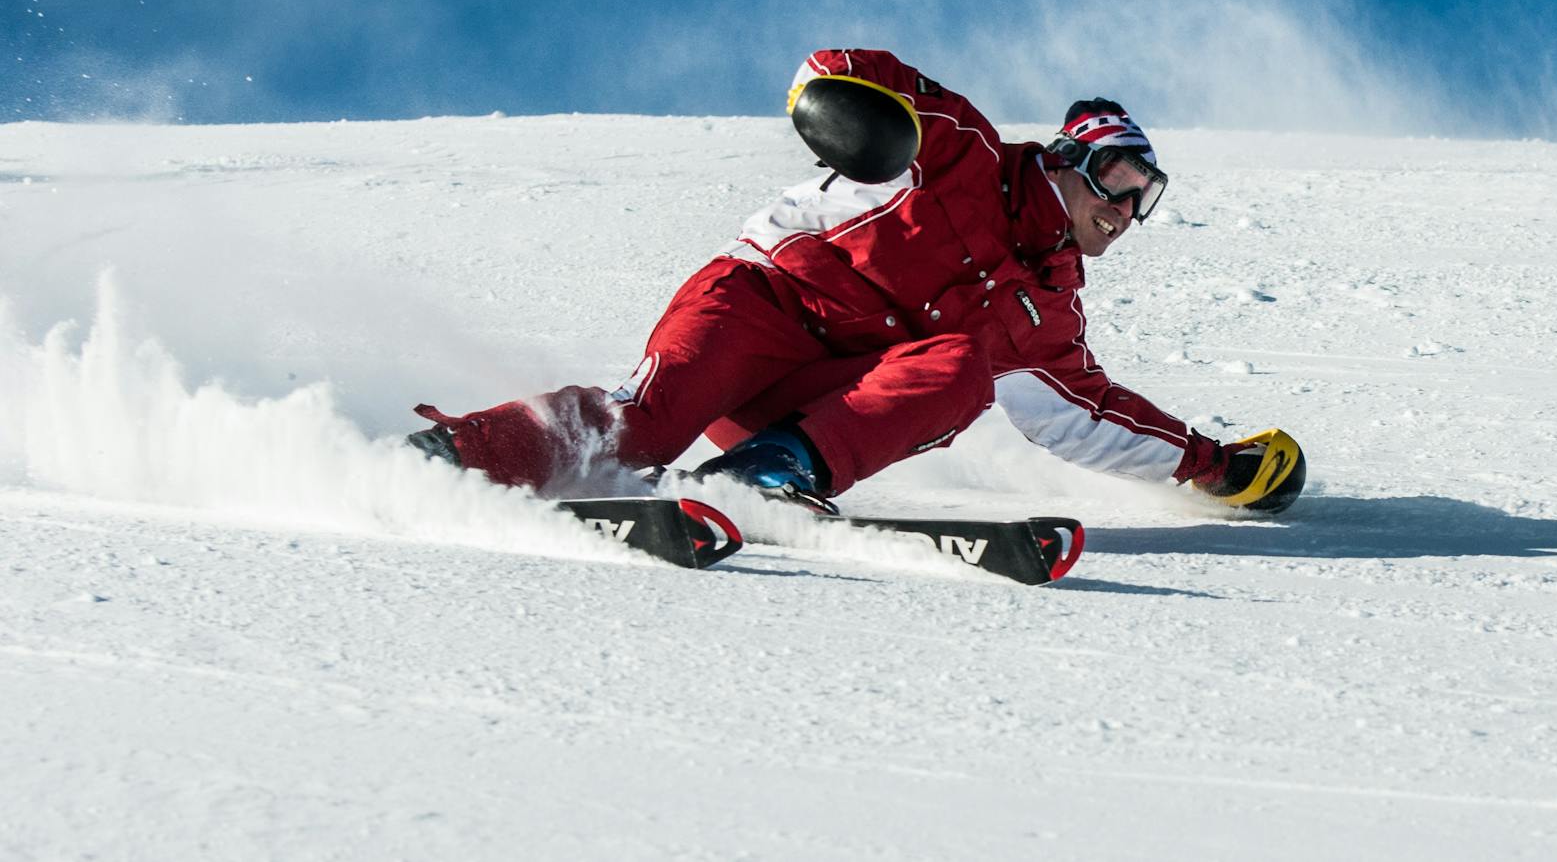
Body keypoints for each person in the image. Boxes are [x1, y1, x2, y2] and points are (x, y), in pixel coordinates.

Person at [408, 48, 1303, 514]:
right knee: (645, 426)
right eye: (1119, 183)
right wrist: (850, 119)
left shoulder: (1048, 313)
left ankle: (766, 476)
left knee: (961, 370)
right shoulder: (963, 152)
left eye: (1144, 200)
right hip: (757, 308)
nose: (1126, 210)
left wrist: (1214, 466)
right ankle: (463, 457)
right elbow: (843, 69)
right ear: (1071, 161)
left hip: (811, 405)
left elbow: (1090, 416)